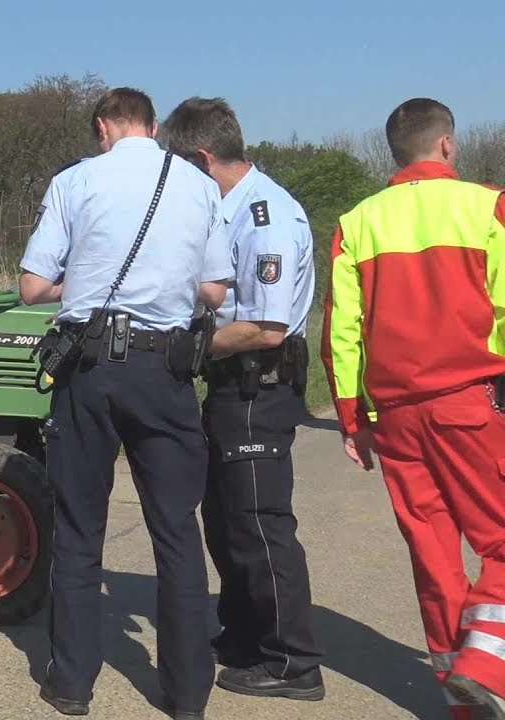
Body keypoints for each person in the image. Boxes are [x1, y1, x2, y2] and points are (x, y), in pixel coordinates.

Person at [19, 87, 233, 720]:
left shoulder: (76, 182)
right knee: (176, 530)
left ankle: (72, 684)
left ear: (102, 128)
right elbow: (216, 290)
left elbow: (32, 286)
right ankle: (189, 693)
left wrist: (82, 277)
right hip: (163, 372)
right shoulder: (197, 186)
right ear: (155, 125)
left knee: (82, 528)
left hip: (89, 370)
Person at [322, 98, 505, 720]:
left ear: (394, 152)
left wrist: (352, 417)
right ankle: (485, 665)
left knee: (435, 561)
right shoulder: (487, 205)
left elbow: (342, 331)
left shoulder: (357, 222)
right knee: (501, 544)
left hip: (396, 416)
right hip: (469, 403)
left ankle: (466, 705)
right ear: (447, 145)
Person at [160, 98, 326, 701]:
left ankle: (293, 659)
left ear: (203, 159)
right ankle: (244, 637)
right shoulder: (230, 209)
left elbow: (267, 326)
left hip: (262, 378)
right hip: (235, 383)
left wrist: (194, 349)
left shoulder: (264, 215)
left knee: (259, 522)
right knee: (225, 519)